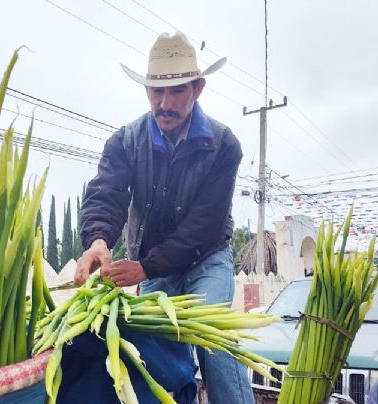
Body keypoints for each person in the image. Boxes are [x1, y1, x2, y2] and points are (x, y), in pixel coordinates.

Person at [76, 31, 254, 404]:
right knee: (153, 351)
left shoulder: (223, 145)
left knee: (209, 334)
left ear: (198, 88)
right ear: (146, 91)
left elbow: (203, 225)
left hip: (206, 258)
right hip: (154, 264)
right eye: (157, 91)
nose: (165, 103)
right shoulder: (125, 142)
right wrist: (98, 241)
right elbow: (107, 194)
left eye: (176, 91)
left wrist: (143, 267)